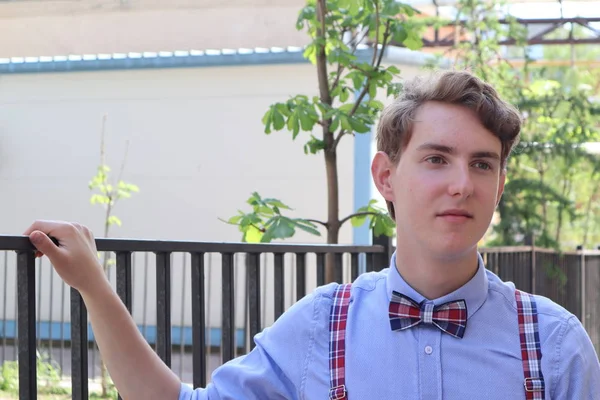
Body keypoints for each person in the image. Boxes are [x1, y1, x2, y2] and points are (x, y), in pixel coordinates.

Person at [24, 70, 600, 400]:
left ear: (500, 185)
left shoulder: (552, 344)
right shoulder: (323, 326)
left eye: (481, 164)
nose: (461, 184)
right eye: (436, 159)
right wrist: (95, 290)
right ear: (385, 177)